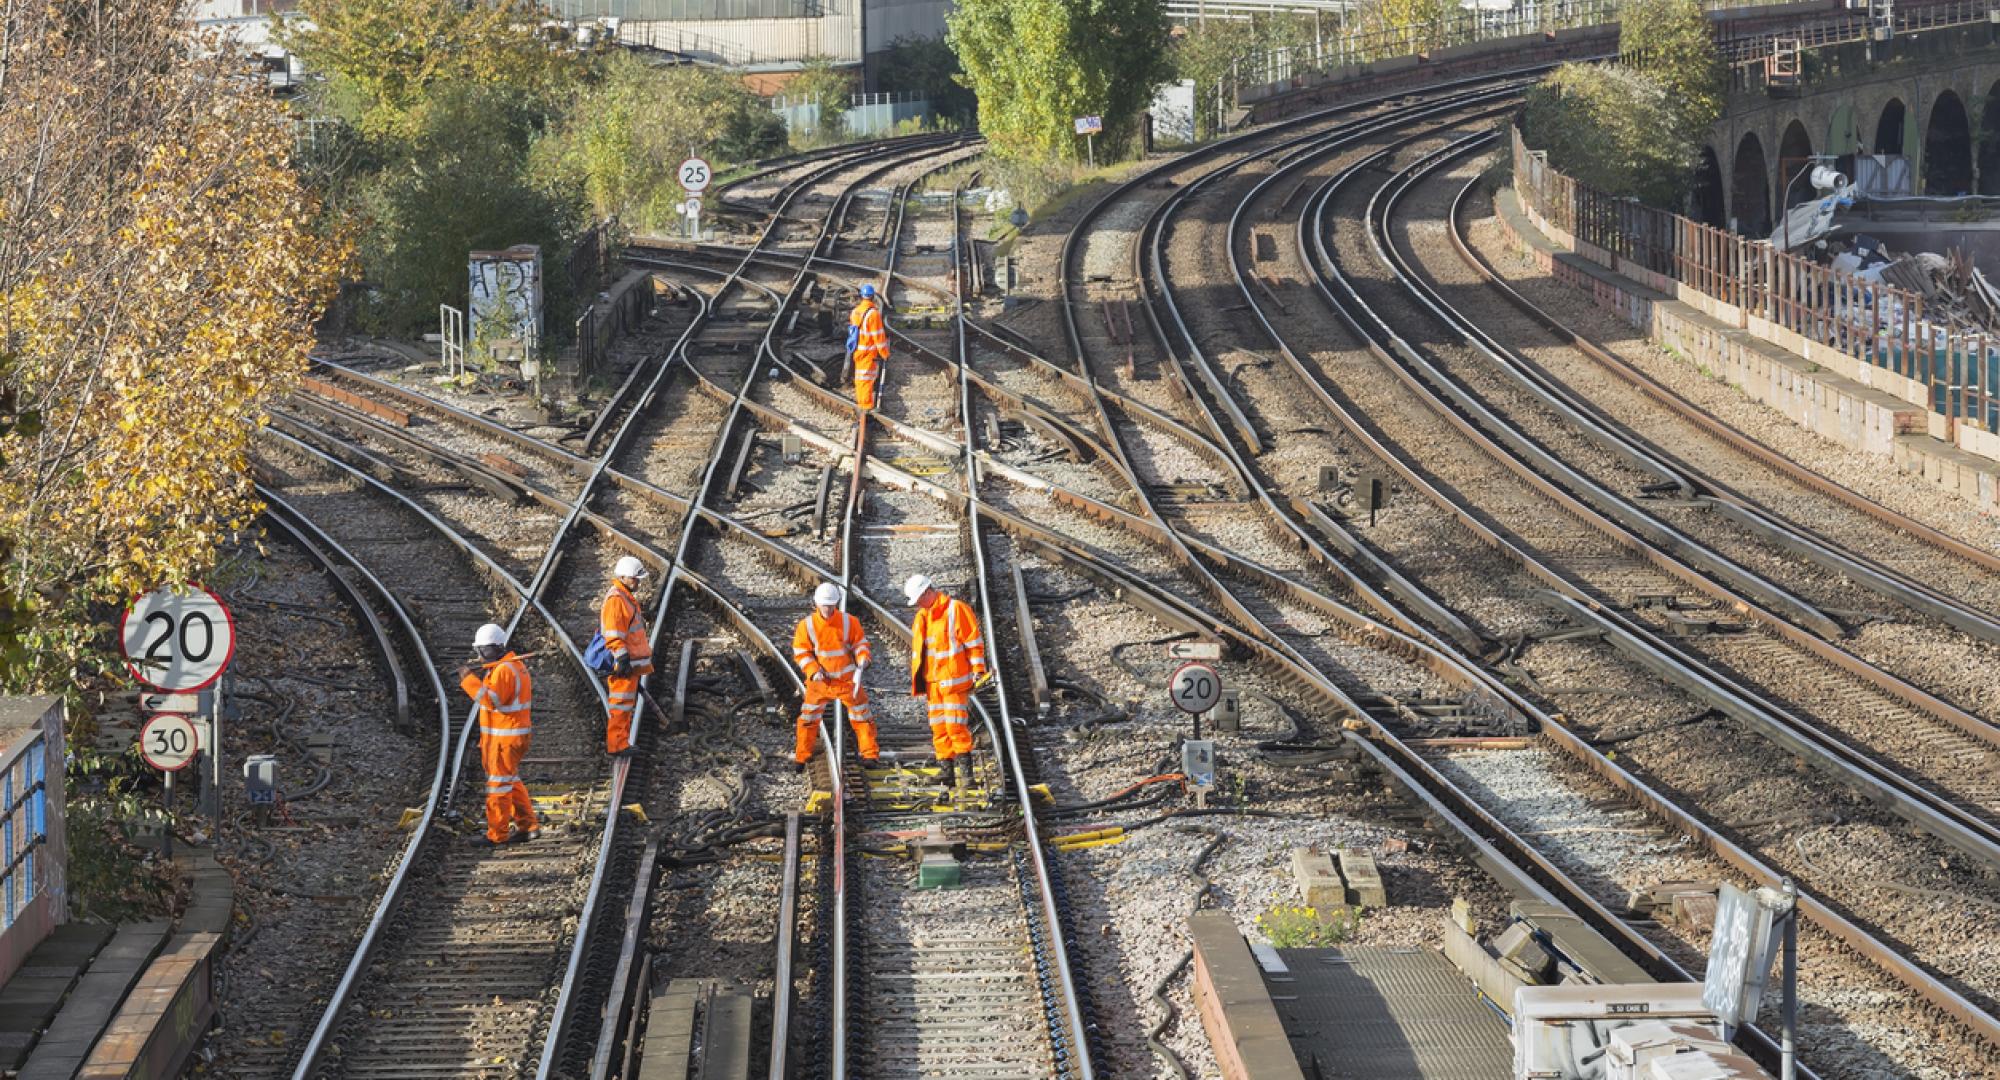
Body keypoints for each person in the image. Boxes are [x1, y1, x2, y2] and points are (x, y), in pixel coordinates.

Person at [904, 573, 988, 788]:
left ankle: (966, 775)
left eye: (919, 599)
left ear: (928, 592)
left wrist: (978, 669)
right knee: (939, 728)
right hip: (933, 684)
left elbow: (973, 642)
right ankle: (946, 772)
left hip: (953, 682)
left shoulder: (955, 609)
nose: (918, 605)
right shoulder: (923, 616)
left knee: (956, 727)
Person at [458, 623, 536, 845]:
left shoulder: (504, 670)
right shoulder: (509, 666)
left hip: (505, 738)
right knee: (509, 780)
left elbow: (492, 700)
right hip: (509, 736)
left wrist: (468, 680)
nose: (479, 655)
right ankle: (528, 825)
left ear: (495, 647)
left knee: (498, 786)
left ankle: (497, 834)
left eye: (482, 650)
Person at [791, 582, 880, 770]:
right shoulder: (806, 626)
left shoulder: (849, 622)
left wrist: (863, 659)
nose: (828, 608)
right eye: (825, 604)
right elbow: (801, 652)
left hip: (847, 681)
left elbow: (861, 645)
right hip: (820, 682)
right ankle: (802, 755)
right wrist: (813, 671)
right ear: (816, 603)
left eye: (831, 604)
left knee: (862, 717)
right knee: (808, 720)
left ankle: (870, 754)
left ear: (837, 603)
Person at [600, 555, 653, 757]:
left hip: (629, 663)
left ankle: (621, 741)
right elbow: (614, 634)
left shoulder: (624, 597)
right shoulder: (617, 600)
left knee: (625, 705)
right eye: (635, 578)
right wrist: (622, 658)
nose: (638, 582)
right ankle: (617, 745)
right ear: (623, 577)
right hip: (623, 663)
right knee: (620, 705)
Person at [847, 282, 889, 410]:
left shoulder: (855, 312)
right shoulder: (873, 314)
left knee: (860, 379)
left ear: (861, 296)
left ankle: (861, 403)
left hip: (857, 351)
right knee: (866, 380)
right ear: (872, 297)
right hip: (868, 352)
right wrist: (884, 353)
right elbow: (878, 336)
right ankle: (866, 407)